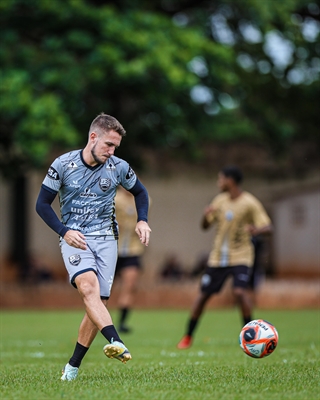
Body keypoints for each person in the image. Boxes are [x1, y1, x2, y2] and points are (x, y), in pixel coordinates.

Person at [36, 113, 151, 380]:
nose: (111, 152)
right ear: (93, 137)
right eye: (108, 145)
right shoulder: (62, 164)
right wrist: (64, 232)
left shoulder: (119, 167)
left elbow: (141, 192)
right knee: (88, 288)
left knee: (99, 302)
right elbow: (42, 204)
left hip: (107, 239)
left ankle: (72, 367)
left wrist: (142, 220)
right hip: (75, 238)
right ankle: (116, 340)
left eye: (115, 147)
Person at [177, 166, 272, 349]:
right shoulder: (219, 201)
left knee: (239, 292)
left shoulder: (249, 202)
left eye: (221, 179)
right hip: (218, 258)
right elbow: (205, 226)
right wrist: (205, 216)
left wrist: (256, 230)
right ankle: (187, 336)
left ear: (230, 181)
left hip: (241, 256)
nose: (218, 183)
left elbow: (268, 227)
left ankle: (251, 337)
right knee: (203, 295)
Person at [114, 185, 148, 333]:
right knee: (103, 290)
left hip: (133, 251)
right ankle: (98, 320)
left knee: (129, 287)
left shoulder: (143, 199)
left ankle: (121, 323)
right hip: (112, 251)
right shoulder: (113, 199)